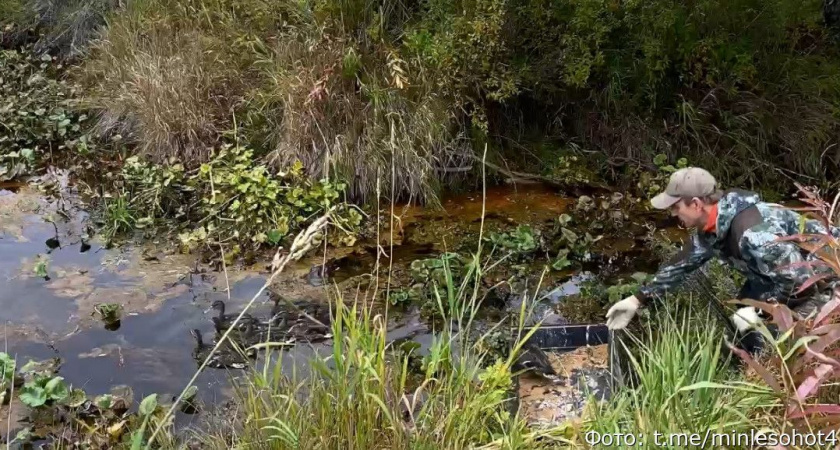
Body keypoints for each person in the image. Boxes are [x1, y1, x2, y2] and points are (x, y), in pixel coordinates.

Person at [605, 167, 839, 352]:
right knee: (742, 315)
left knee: (770, 334)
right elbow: (683, 263)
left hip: (826, 281)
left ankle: (781, 376)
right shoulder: (715, 222)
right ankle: (753, 357)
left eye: (676, 207)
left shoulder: (754, 235)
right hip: (781, 276)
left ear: (696, 204)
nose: (673, 214)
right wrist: (637, 299)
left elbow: (801, 283)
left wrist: (762, 312)